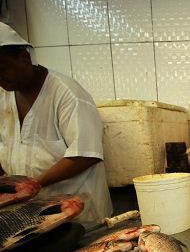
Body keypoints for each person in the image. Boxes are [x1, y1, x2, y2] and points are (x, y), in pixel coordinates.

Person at [0, 22, 113, 225]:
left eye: (2, 69)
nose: (0, 79)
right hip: (31, 219)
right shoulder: (3, 97)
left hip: (78, 216)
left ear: (24, 58)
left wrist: (32, 185)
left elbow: (85, 154)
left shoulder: (67, 94)